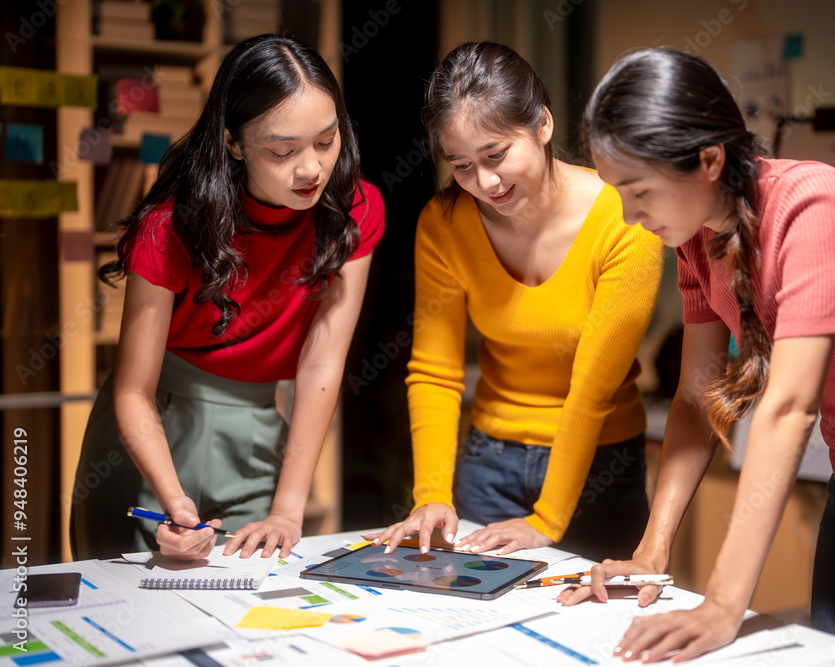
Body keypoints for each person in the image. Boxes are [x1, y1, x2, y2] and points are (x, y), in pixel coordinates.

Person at [561, 47, 835, 663]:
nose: (632, 218)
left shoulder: (813, 205)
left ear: (709, 159)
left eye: (638, 192)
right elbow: (695, 396)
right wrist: (651, 549)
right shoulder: (698, 240)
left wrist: (721, 605)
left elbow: (788, 407)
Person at [70, 34, 385, 562]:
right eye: (282, 151)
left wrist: (287, 508)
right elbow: (133, 391)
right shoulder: (170, 226)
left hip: (259, 428)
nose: (310, 169)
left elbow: (320, 366)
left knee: (246, 610)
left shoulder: (356, 212)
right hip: (155, 433)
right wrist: (172, 500)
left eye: (326, 141)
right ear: (233, 143)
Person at [370, 42, 663, 561]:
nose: (484, 183)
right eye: (461, 164)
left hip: (601, 464)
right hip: (490, 461)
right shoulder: (443, 225)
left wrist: (548, 520)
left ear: (543, 125)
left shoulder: (624, 219)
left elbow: (591, 391)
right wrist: (432, 496)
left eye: (496, 155)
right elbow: (435, 373)